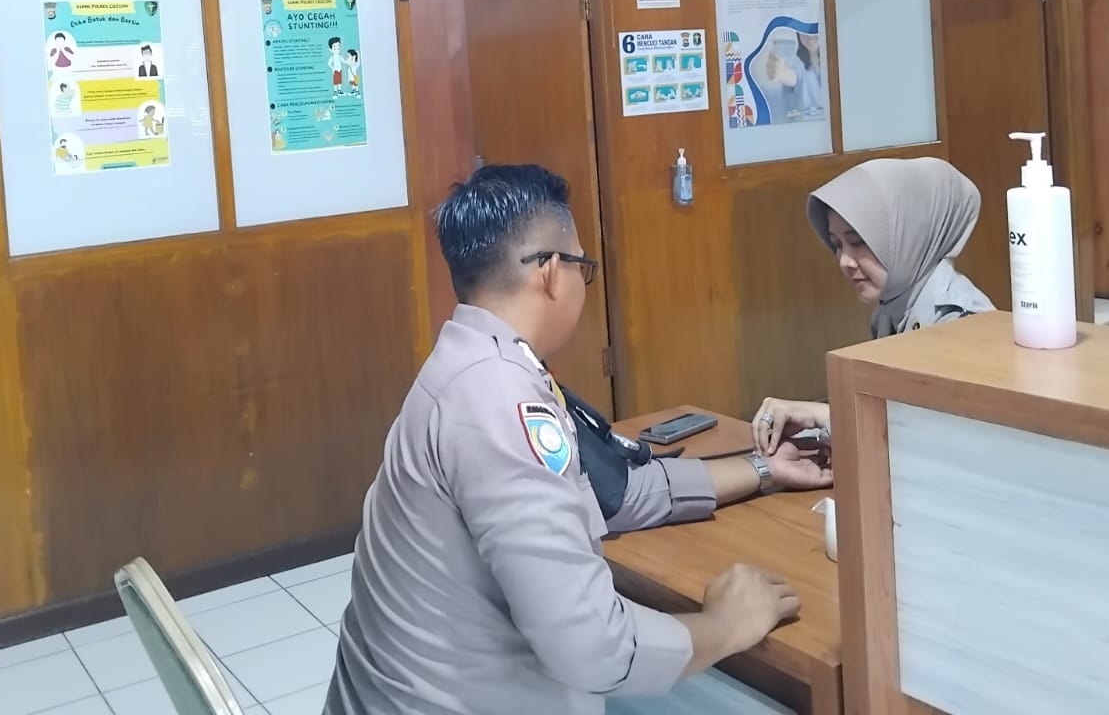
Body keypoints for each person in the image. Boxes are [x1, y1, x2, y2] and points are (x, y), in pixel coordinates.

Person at [326, 165, 817, 715]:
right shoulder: (499, 401)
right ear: (552, 273)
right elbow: (595, 648)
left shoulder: (475, 362)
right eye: (584, 267)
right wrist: (724, 625)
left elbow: (613, 494)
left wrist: (765, 468)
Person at [751, 157, 994, 456]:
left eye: (858, 242)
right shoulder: (891, 311)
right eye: (837, 244)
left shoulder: (962, 321)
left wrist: (823, 416)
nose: (844, 261)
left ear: (909, 235)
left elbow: (940, 442)